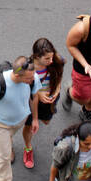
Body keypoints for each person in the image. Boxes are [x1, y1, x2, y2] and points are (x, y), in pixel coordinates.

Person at [21, 37, 64, 168]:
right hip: (31, 100)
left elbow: (59, 75)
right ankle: (28, 148)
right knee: (29, 126)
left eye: (51, 57)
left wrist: (57, 89)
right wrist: (38, 93)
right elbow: (17, 80)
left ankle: (39, 119)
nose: (51, 61)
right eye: (47, 59)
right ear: (36, 56)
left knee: (45, 120)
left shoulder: (56, 60)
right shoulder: (25, 66)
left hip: (49, 100)